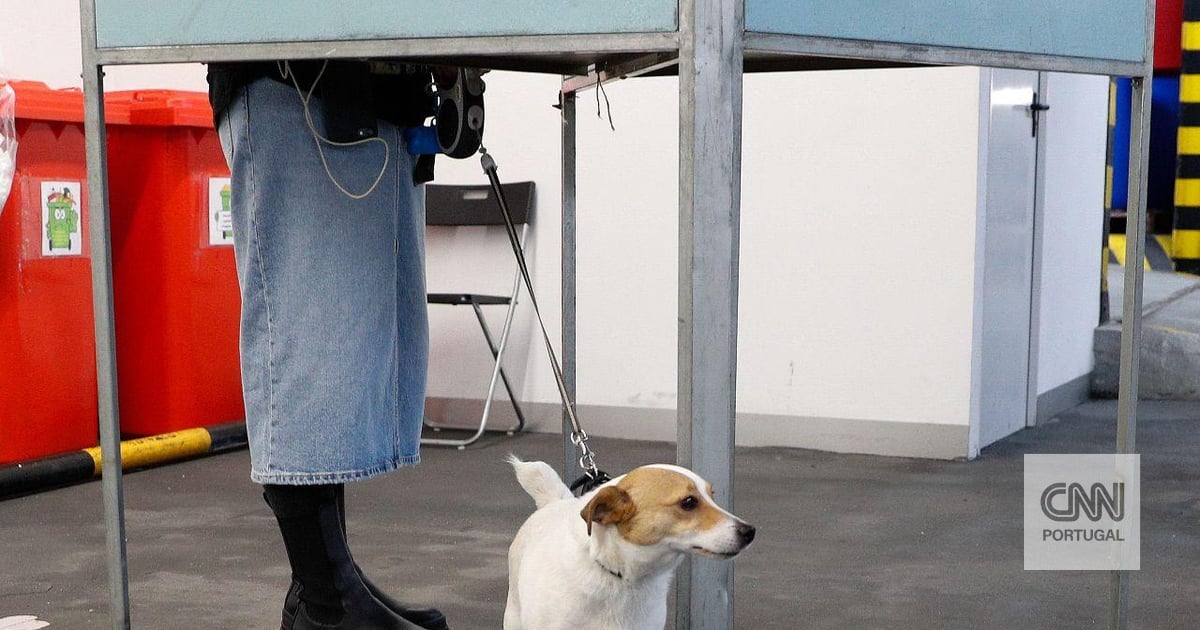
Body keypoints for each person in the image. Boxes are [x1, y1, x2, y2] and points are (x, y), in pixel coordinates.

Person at [208, 59, 447, 630]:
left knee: (347, 353)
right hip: (294, 88)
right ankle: (328, 600)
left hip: (372, 98)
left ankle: (321, 586)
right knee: (310, 350)